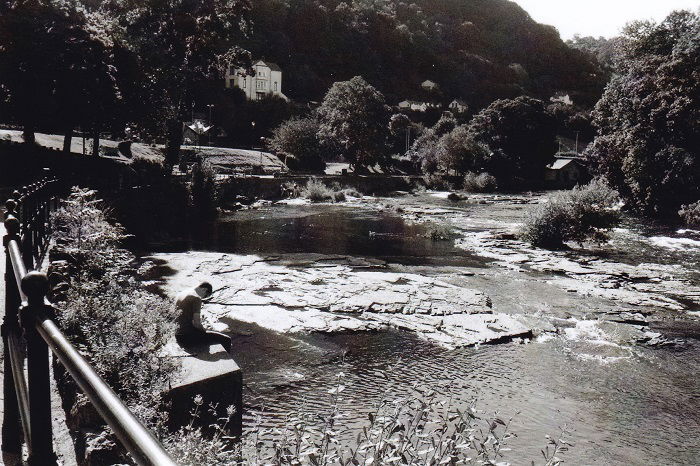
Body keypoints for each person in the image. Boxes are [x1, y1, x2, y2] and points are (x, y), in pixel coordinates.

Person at [175, 281, 232, 353]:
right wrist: (204, 331)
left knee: (209, 335)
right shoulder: (196, 298)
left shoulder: (182, 293)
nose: (202, 298)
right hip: (187, 337)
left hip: (177, 334)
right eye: (205, 296)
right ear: (204, 289)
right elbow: (197, 323)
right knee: (227, 340)